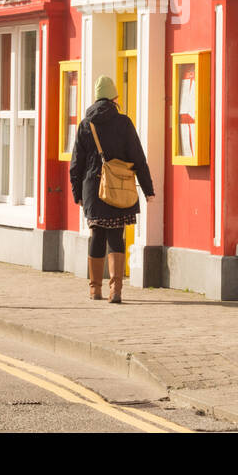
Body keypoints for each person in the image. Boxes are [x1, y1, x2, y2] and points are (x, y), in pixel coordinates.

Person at [69, 76, 154, 304]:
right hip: (119, 188)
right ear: (114, 98)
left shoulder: (86, 124)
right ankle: (116, 291)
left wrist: (77, 194)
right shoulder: (124, 123)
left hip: (93, 189)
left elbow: (76, 164)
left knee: (97, 235)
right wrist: (148, 189)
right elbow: (138, 157)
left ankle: (94, 290)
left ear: (96, 98)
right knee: (116, 236)